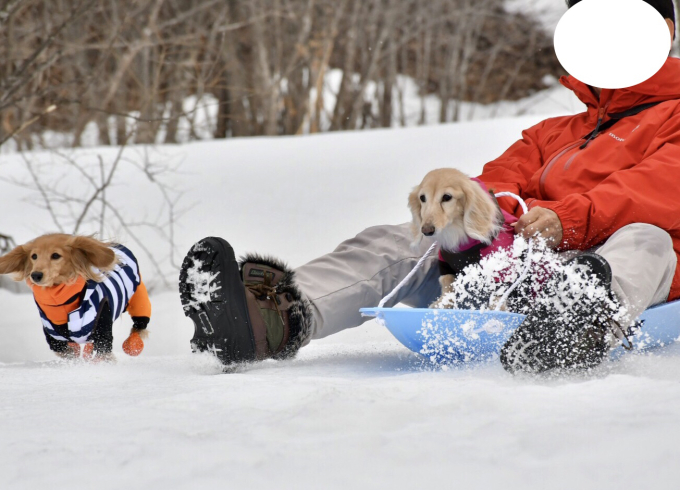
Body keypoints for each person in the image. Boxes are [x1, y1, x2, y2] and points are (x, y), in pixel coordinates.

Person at [179, 0, 680, 373]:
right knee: (405, 237)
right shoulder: (552, 133)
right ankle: (272, 318)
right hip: (522, 262)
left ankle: (575, 326)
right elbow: (491, 182)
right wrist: (499, 213)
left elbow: (659, 188)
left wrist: (565, 219)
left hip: (623, 270)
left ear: (664, 31)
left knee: (647, 239)